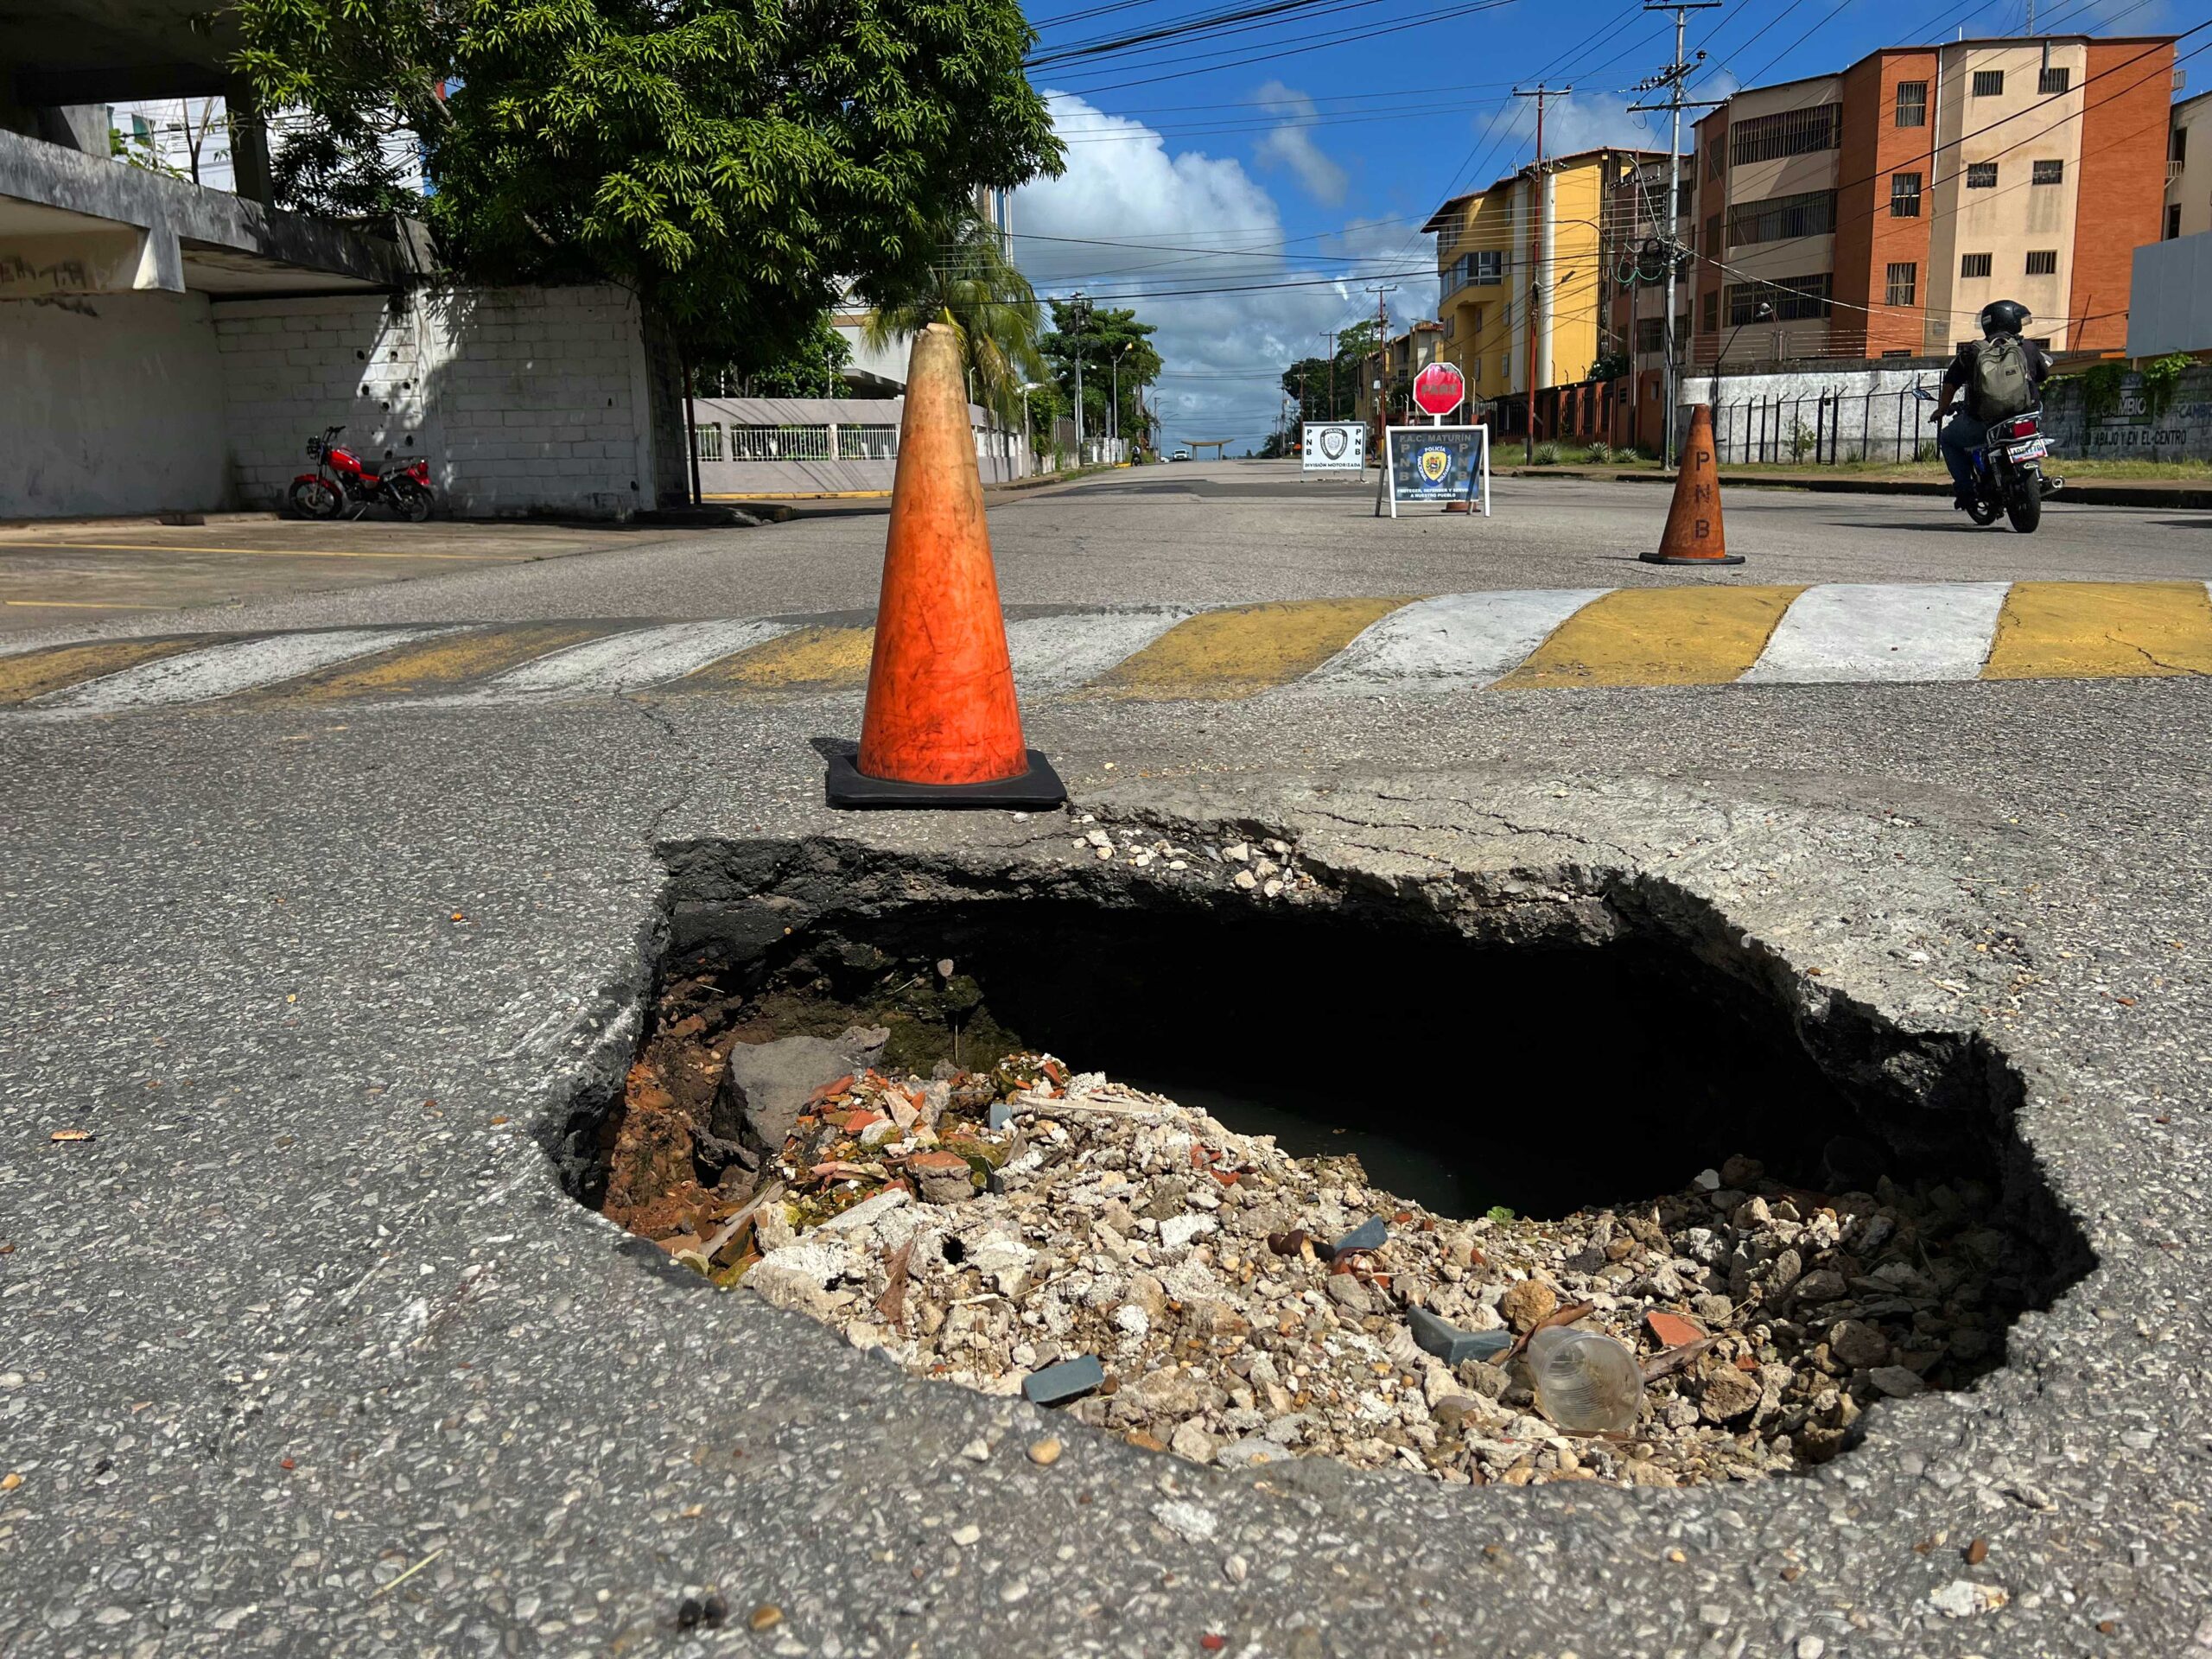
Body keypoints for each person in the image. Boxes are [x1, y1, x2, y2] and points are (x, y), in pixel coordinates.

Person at [1931, 300, 2050, 510]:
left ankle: (1965, 489)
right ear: (2012, 321)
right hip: (2025, 416)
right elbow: (2043, 375)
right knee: (2033, 428)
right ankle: (2037, 472)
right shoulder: (2029, 347)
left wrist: (1942, 409)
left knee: (1948, 438)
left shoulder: (1972, 352)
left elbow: (1950, 383)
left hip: (1987, 422)